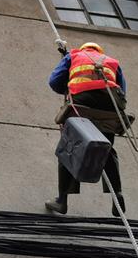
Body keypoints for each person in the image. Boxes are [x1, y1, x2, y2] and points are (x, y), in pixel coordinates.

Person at [46, 41, 127, 217]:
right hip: (108, 107)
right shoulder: (112, 61)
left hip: (82, 103)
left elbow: (54, 82)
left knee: (69, 149)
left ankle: (62, 200)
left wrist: (68, 86)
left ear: (84, 49)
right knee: (107, 149)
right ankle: (117, 194)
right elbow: (123, 90)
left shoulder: (73, 56)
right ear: (100, 51)